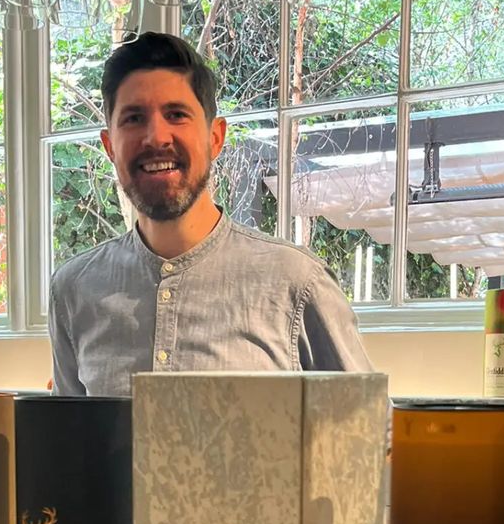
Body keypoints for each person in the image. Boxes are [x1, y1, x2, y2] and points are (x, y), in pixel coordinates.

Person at [48, 32, 373, 396]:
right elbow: (70, 430)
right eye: (134, 118)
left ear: (215, 138)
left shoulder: (297, 282)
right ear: (110, 146)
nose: (156, 137)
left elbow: (365, 427)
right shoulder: (73, 290)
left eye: (176, 114)